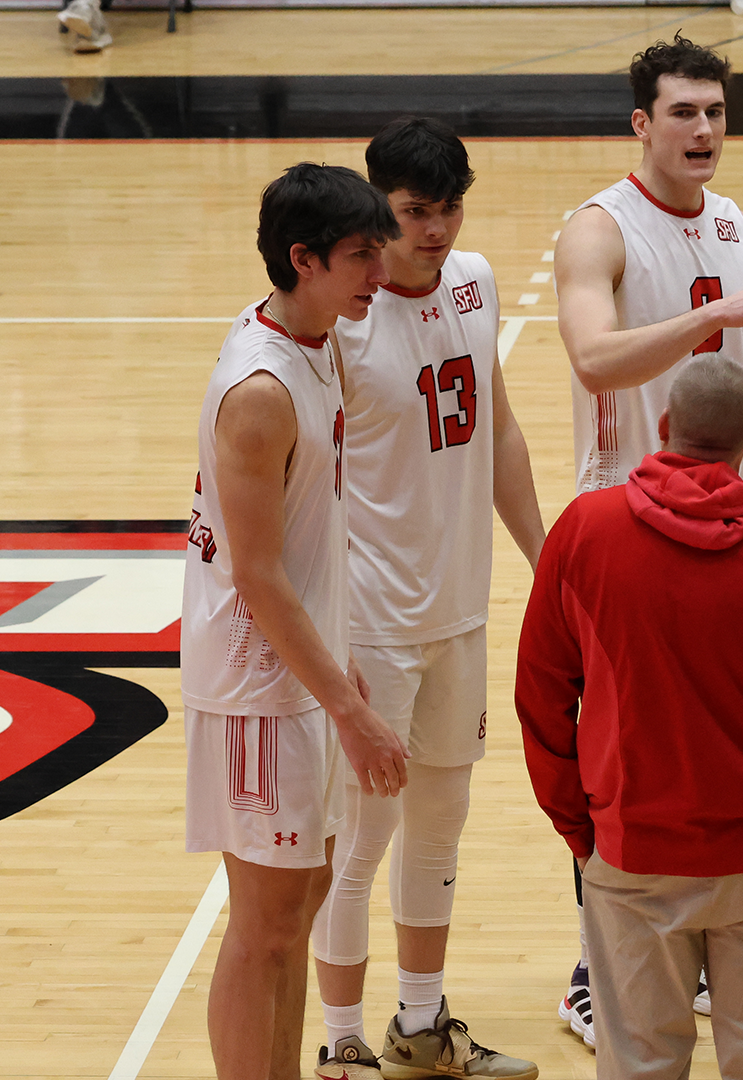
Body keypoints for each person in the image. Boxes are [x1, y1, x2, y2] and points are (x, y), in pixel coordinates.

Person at [551, 32, 743, 1037]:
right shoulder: (598, 231)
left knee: (715, 740)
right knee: (613, 749)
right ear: (641, 124)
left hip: (729, 528)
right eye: (682, 113)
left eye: (714, 112)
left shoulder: (736, 222)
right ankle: (594, 967)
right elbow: (593, 359)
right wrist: (717, 321)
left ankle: (702, 948)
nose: (703, 130)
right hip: (624, 528)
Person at [516, 357, 743, 1080]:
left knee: (639, 1069)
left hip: (631, 852)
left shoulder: (583, 532)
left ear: (665, 426)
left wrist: (583, 834)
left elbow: (540, 700)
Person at [306, 117, 545, 1080]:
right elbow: (307, 497)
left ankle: (419, 1024)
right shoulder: (342, 326)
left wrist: (551, 557)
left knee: (442, 823)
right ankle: (340, 1041)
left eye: (449, 209)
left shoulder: (478, 281)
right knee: (362, 838)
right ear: (378, 208)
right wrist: (335, 638)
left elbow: (502, 429)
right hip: (374, 624)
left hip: (460, 609)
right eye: (415, 213)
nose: (437, 230)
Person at [180, 162, 409, 1080]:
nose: (379, 274)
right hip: (254, 686)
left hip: (298, 672)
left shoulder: (315, 334)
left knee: (304, 897)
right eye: (359, 256)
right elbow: (260, 578)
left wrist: (337, 670)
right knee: (265, 931)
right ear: (303, 259)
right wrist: (351, 713)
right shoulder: (261, 394)